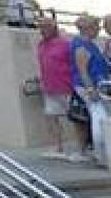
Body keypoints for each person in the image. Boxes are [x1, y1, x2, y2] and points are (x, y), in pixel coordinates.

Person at [36, 17, 80, 161]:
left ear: (54, 28)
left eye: (47, 27)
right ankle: (57, 146)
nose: (44, 30)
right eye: (42, 27)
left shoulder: (65, 44)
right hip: (50, 87)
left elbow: (74, 63)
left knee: (75, 117)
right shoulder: (41, 45)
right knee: (51, 117)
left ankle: (81, 147)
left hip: (66, 85)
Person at [72, 15, 111, 165]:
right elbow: (82, 70)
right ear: (88, 28)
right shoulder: (81, 46)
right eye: (96, 27)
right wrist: (90, 88)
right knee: (99, 117)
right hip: (90, 87)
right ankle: (101, 155)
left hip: (98, 85)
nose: (98, 30)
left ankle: (102, 153)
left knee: (100, 117)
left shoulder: (91, 44)